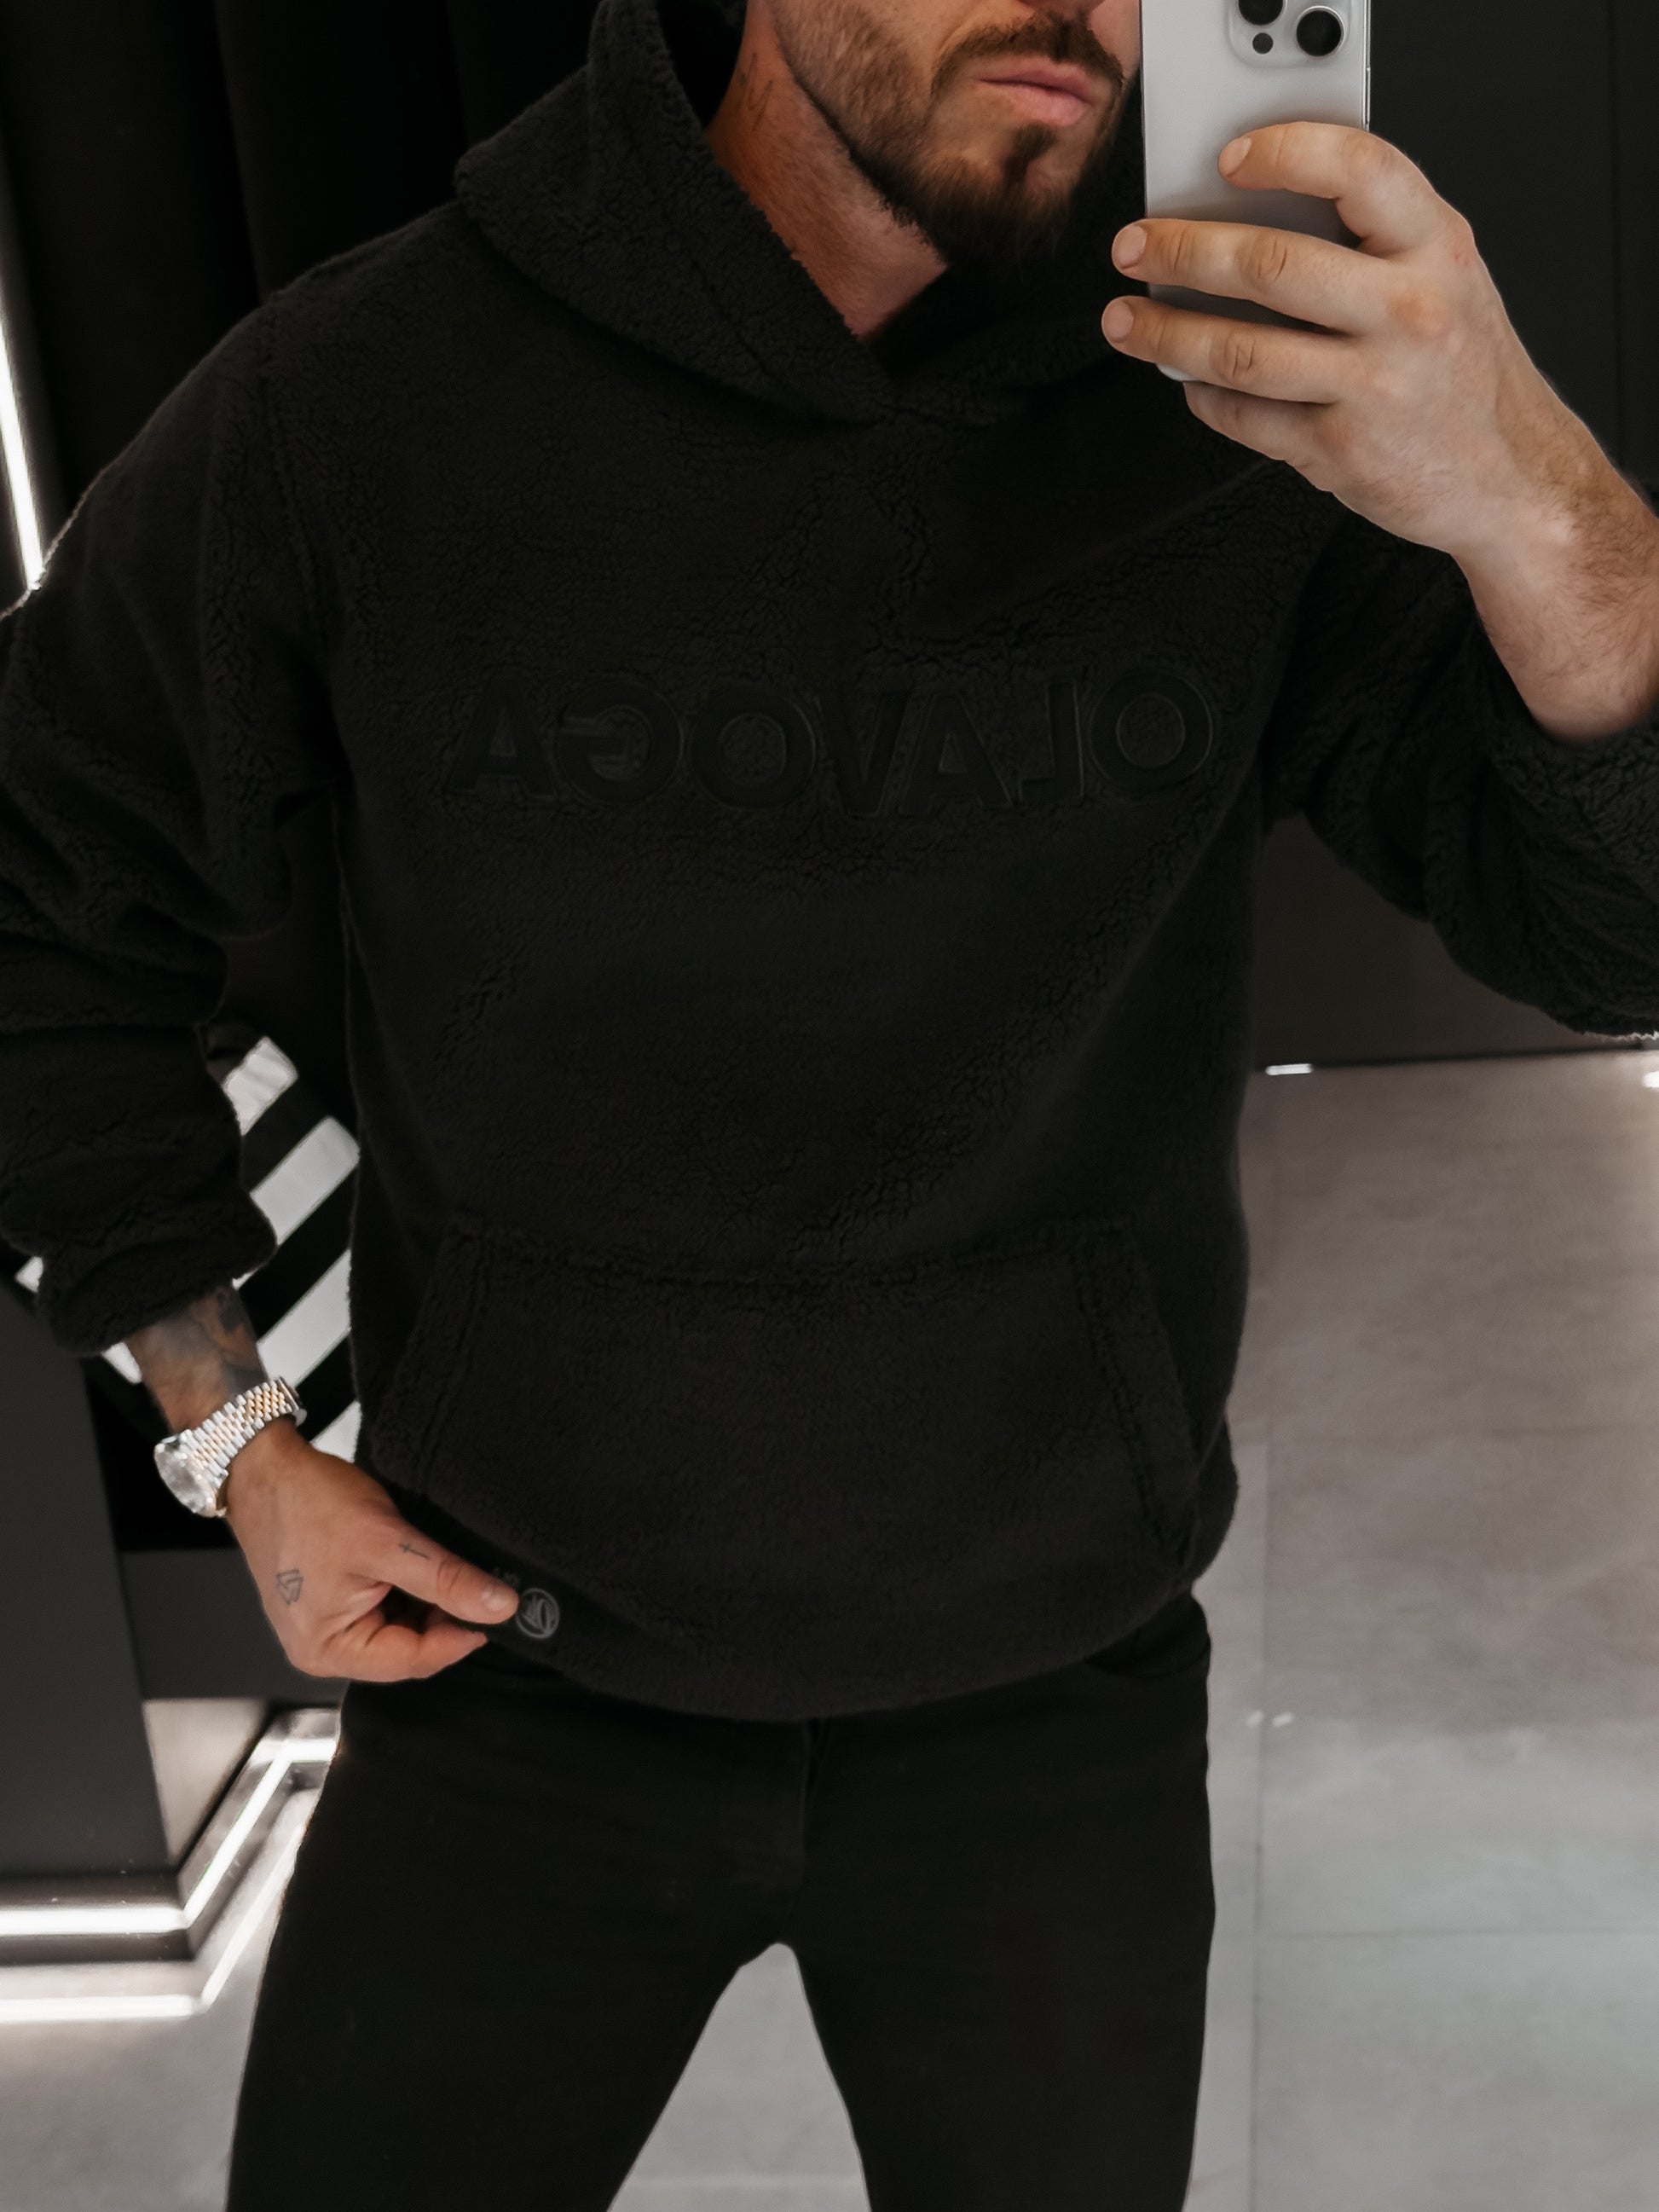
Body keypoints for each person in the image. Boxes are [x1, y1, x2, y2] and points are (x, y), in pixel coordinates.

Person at [3, 0, 1656, 2203]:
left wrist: (1525, 481)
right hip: (511, 1666)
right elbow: (40, 889)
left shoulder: (1232, 409)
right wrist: (229, 1436)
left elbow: (1615, 937)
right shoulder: (367, 397)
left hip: (1052, 1695)